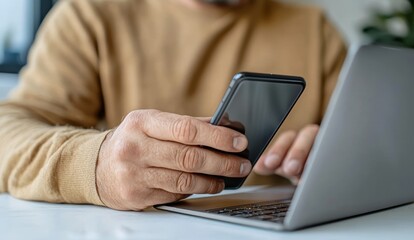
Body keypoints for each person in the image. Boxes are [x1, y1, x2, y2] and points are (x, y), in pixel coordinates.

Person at [0, 0, 347, 211]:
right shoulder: (89, 17)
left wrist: (335, 157)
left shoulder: (315, 30)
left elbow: (372, 147)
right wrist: (98, 164)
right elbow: (7, 133)